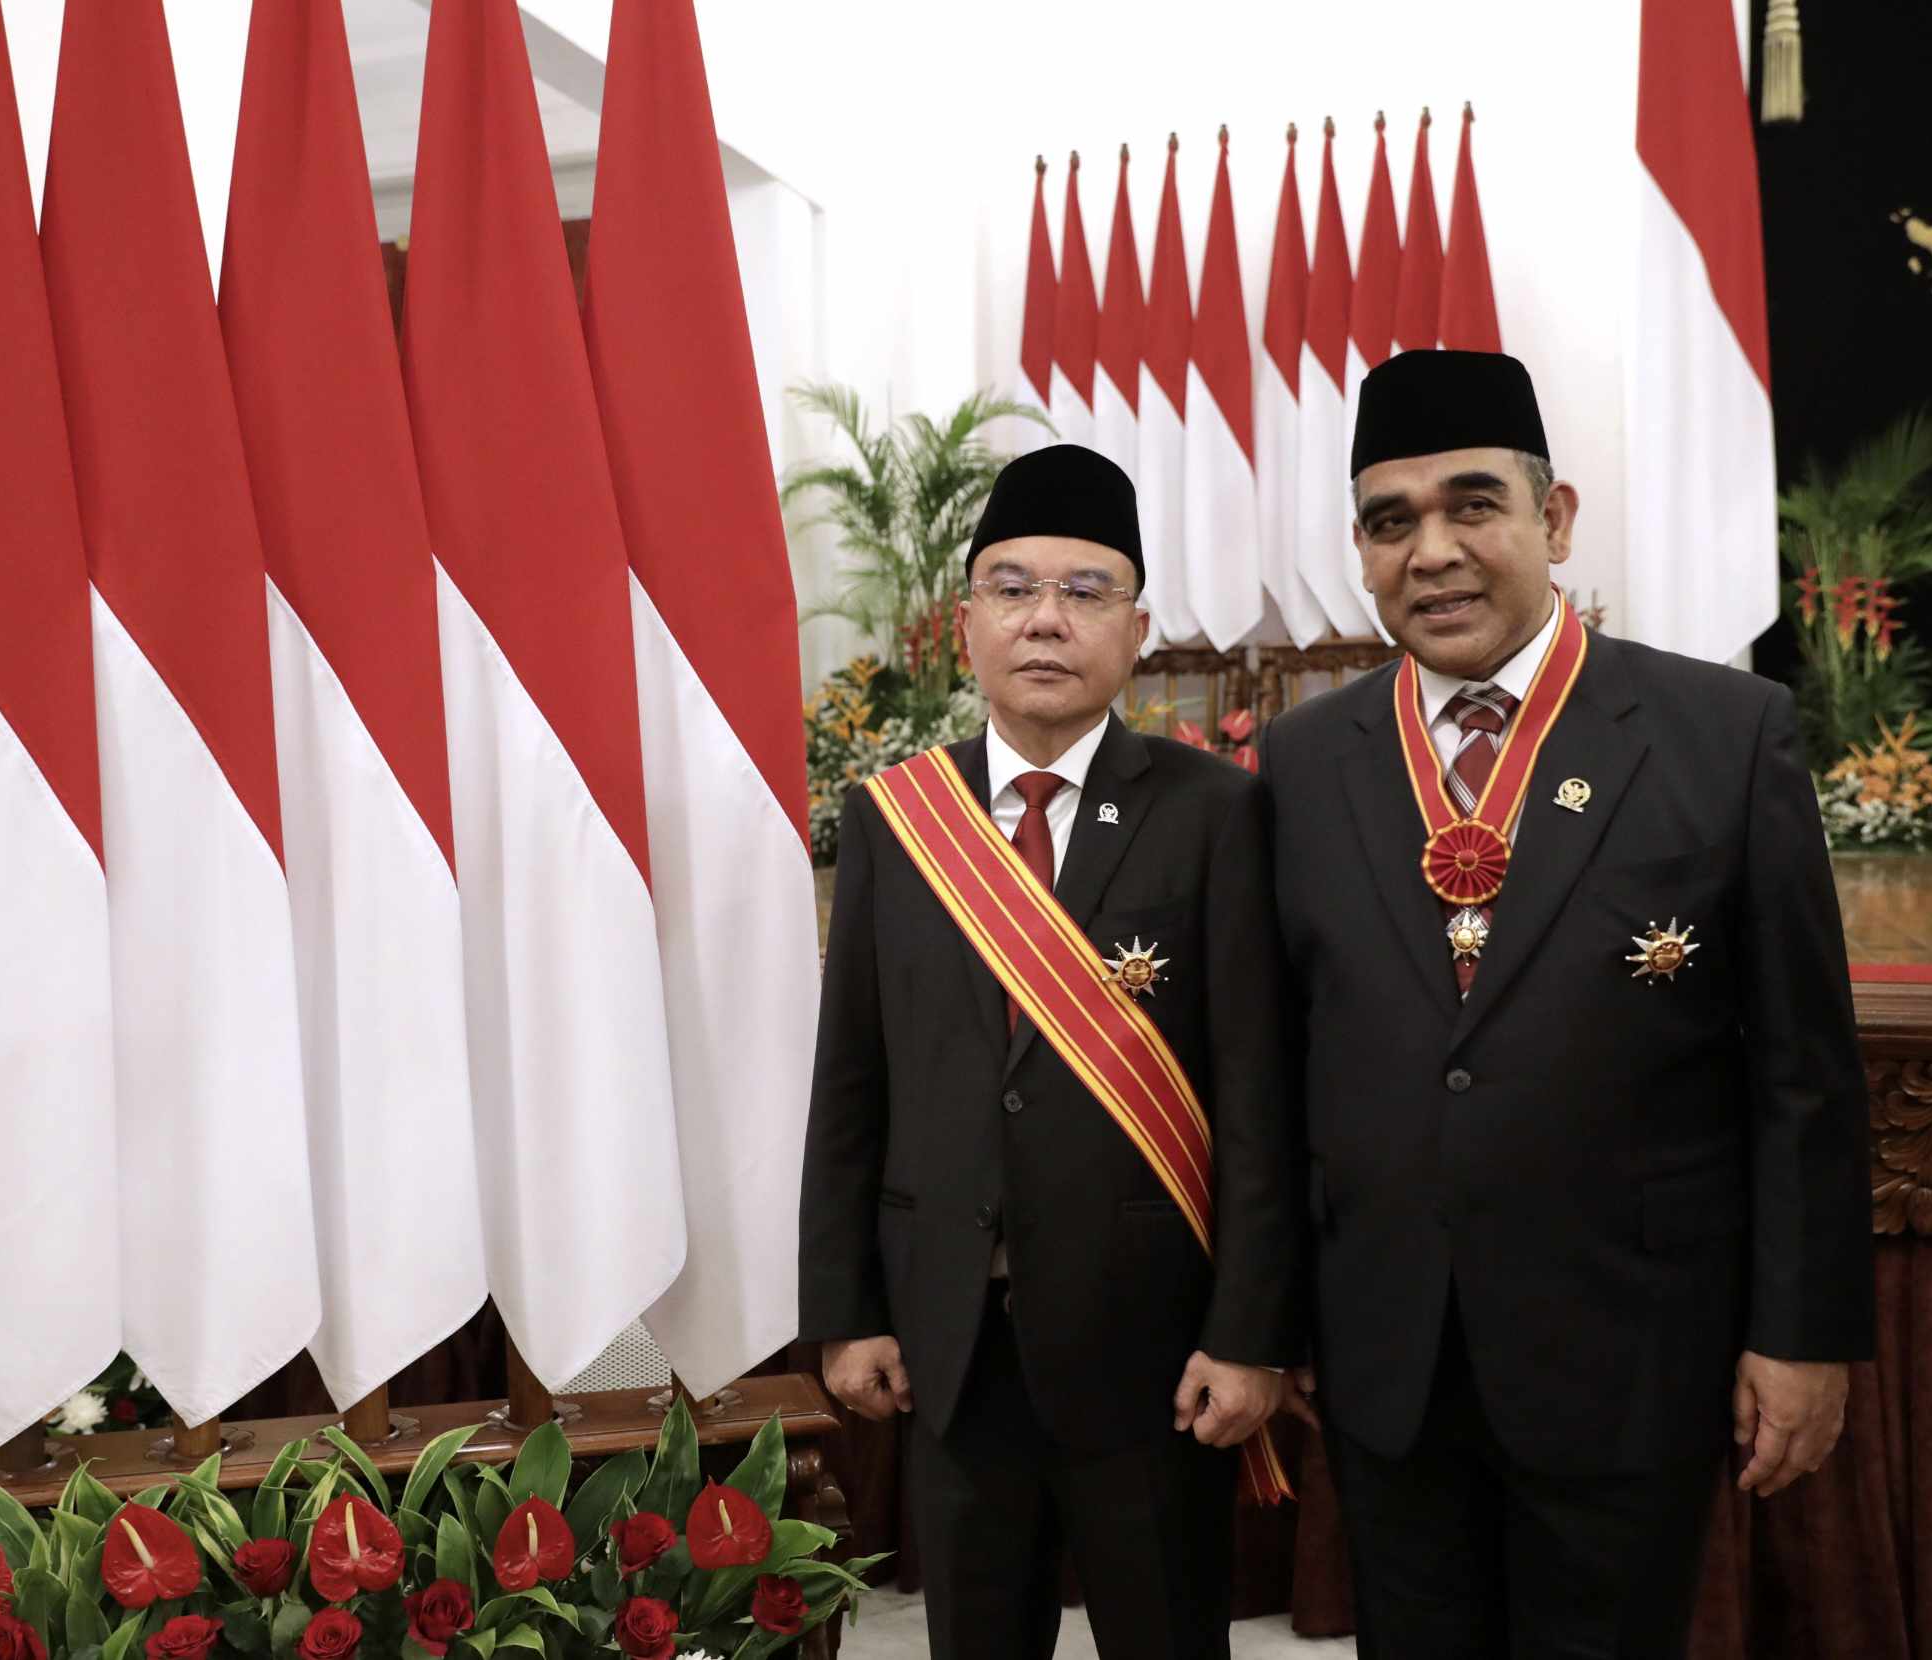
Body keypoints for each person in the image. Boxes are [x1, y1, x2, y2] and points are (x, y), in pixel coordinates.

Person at [1259, 350, 1876, 1656]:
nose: (1432, 551)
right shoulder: (1304, 762)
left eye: (1473, 504)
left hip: (1630, 1353)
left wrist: (1803, 1337)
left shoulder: (1723, 733)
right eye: (1390, 521)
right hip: (1387, 1358)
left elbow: (1804, 1074)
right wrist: (1274, 1315)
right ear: (1362, 553)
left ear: (1556, 518)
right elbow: (1276, 1067)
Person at [798, 444, 1308, 1660]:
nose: (1045, 619)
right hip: (949, 1340)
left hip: (1154, 1346)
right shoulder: (896, 818)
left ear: (1136, 630)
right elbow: (852, 1082)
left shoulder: (1215, 811)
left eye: (1085, 591)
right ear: (964, 622)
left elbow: (1258, 1095)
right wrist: (845, 1311)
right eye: (1013, 587)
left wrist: (1250, 1332)